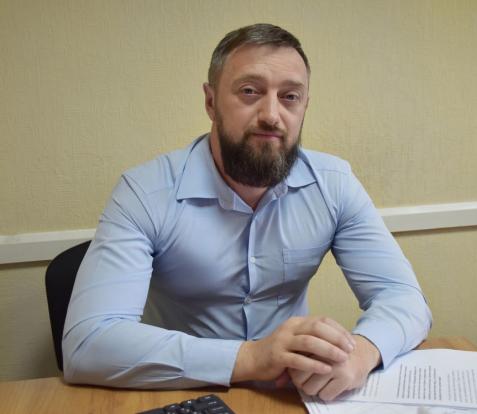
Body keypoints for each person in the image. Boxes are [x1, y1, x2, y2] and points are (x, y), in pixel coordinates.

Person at [62, 23, 432, 401]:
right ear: (211, 102)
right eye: (250, 92)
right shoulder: (144, 193)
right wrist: (251, 358)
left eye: (290, 96)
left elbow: (404, 298)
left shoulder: (333, 184)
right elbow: (87, 343)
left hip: (289, 398)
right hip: (184, 395)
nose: (271, 115)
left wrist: (363, 352)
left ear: (304, 106)